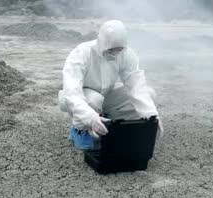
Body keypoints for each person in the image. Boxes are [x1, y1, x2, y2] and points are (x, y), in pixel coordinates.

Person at [58, 20, 162, 150]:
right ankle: (80, 130)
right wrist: (90, 118)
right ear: (102, 42)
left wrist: (152, 117)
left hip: (106, 94)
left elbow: (136, 86)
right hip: (83, 97)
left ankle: (111, 124)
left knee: (149, 94)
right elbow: (72, 92)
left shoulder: (126, 54)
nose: (116, 53)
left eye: (119, 49)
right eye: (112, 50)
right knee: (94, 100)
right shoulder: (82, 53)